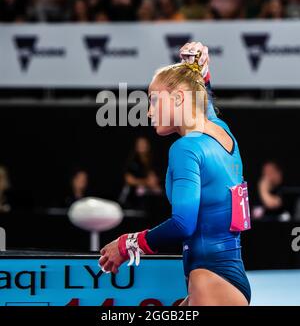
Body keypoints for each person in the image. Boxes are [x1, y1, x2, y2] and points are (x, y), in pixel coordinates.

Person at [99, 41, 251, 306]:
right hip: (223, 278)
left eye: (154, 100)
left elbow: (183, 223)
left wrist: (128, 244)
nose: (148, 111)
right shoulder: (221, 131)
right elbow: (202, 100)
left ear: (179, 98)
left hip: (209, 280)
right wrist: (201, 70)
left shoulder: (186, 148)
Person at [119, 136, 162, 210]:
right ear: (136, 146)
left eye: (144, 144)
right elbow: (129, 180)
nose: (142, 146)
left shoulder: (151, 162)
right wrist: (146, 182)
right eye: (140, 144)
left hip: (146, 199)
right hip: (131, 199)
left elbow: (153, 179)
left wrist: (154, 183)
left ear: (148, 146)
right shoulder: (133, 162)